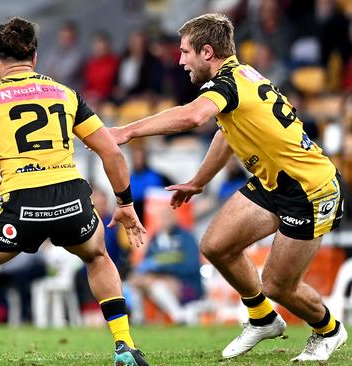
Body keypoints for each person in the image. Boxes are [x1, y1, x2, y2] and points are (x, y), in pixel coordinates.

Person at [110, 13, 347, 362]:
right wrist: (198, 182)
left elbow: (192, 117)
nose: (180, 61)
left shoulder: (227, 83)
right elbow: (226, 133)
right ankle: (263, 318)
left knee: (279, 285)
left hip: (310, 190)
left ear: (207, 52)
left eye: (185, 52)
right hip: (275, 182)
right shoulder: (239, 76)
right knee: (216, 244)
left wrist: (127, 131)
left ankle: (329, 330)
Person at [0, 17, 148, 366]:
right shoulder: (66, 93)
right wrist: (124, 202)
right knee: (97, 257)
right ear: (34, 56)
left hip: (20, 204)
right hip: (72, 199)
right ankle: (125, 347)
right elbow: (112, 152)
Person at [128, 200, 203, 325]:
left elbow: (192, 265)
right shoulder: (156, 238)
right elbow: (147, 263)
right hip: (159, 280)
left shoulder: (186, 237)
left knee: (157, 284)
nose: (164, 220)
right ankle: (138, 319)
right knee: (135, 282)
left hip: (188, 285)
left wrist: (163, 271)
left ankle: (178, 315)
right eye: (161, 217)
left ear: (175, 217)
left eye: (167, 216)